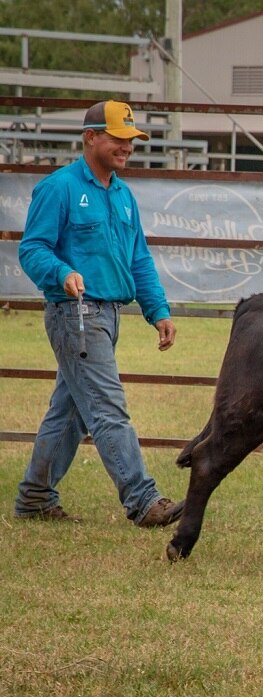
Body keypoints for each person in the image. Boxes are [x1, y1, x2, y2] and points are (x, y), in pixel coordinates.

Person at [13, 100, 184, 527]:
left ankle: (35, 496)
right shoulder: (60, 187)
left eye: (131, 140)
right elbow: (32, 248)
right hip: (77, 314)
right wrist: (62, 271)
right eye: (119, 139)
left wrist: (158, 311)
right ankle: (143, 500)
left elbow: (139, 259)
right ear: (91, 137)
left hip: (107, 315)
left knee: (70, 410)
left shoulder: (123, 196)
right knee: (107, 407)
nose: (127, 148)